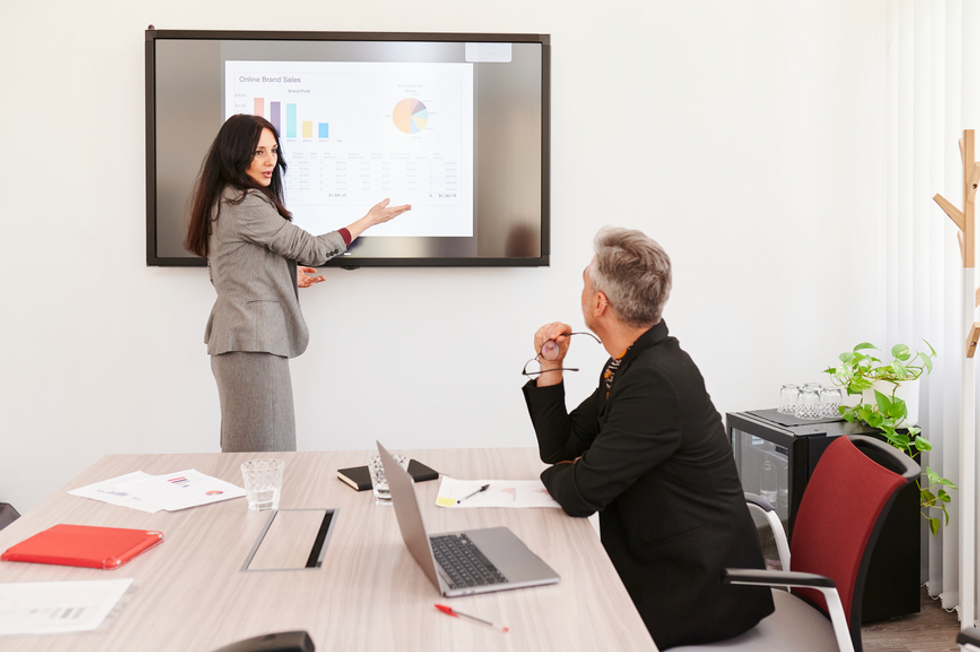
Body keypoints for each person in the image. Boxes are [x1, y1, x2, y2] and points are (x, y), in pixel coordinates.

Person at [522, 226, 774, 649]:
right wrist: (551, 367)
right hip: (666, 561)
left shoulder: (655, 380)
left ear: (599, 302)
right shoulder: (630, 364)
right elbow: (560, 448)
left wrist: (570, 474)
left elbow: (580, 495)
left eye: (584, 283)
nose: (581, 292)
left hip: (698, 587)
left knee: (552, 624)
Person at [185, 114, 410, 453]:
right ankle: (261, 509)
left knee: (250, 449)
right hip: (252, 341)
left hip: (240, 339)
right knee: (267, 451)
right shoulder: (245, 202)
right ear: (235, 154)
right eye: (258, 152)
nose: (270, 161)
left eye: (273, 151)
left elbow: (232, 268)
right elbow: (314, 249)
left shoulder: (224, 199)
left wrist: (285, 273)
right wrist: (368, 220)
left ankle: (257, 507)